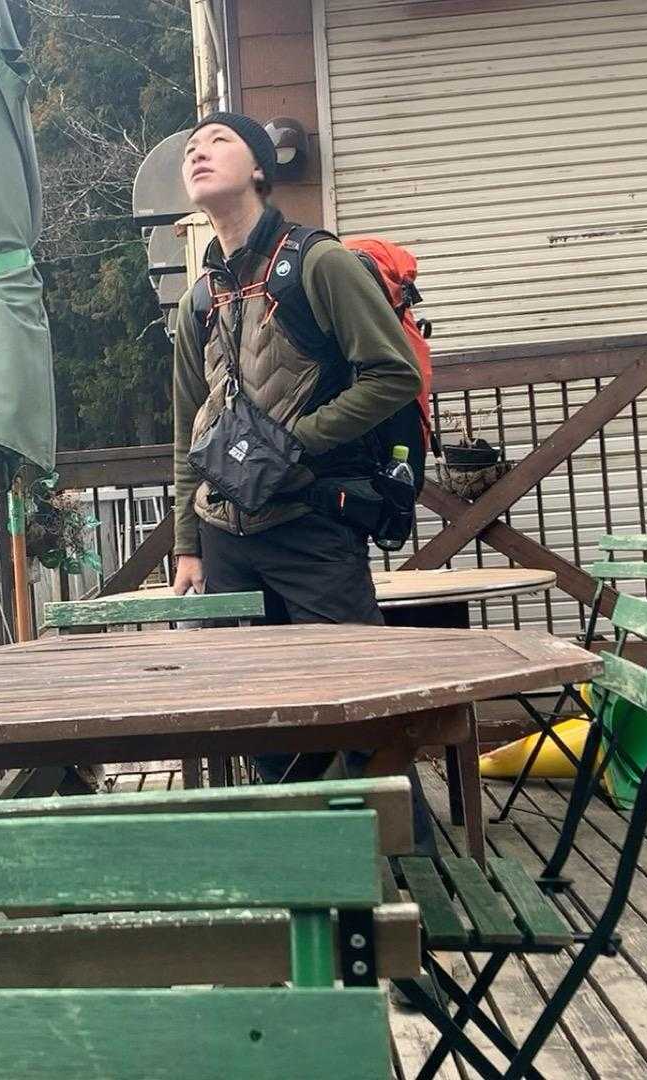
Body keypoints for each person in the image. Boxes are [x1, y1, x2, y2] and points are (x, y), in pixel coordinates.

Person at [169, 112, 424, 781]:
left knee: (365, 713)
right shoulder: (198, 300)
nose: (198, 151)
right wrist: (188, 543)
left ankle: (403, 846)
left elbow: (395, 375)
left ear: (259, 167)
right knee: (265, 724)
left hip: (312, 523)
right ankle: (304, 848)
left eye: (219, 140)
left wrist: (292, 444)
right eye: (191, 146)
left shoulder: (318, 262)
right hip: (224, 539)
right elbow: (188, 426)